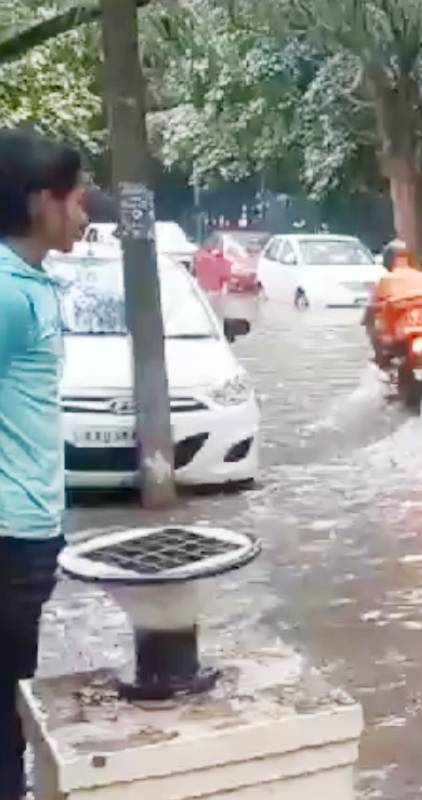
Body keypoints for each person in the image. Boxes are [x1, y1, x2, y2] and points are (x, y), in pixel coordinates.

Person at [0, 129, 88, 800]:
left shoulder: (29, 282)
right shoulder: (5, 293)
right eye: (75, 199)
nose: (83, 215)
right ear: (40, 204)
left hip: (27, 532)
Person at [364, 240, 422, 368]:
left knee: (376, 332)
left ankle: (381, 360)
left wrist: (368, 320)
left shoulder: (385, 280)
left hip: (399, 336)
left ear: (388, 260)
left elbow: (371, 307)